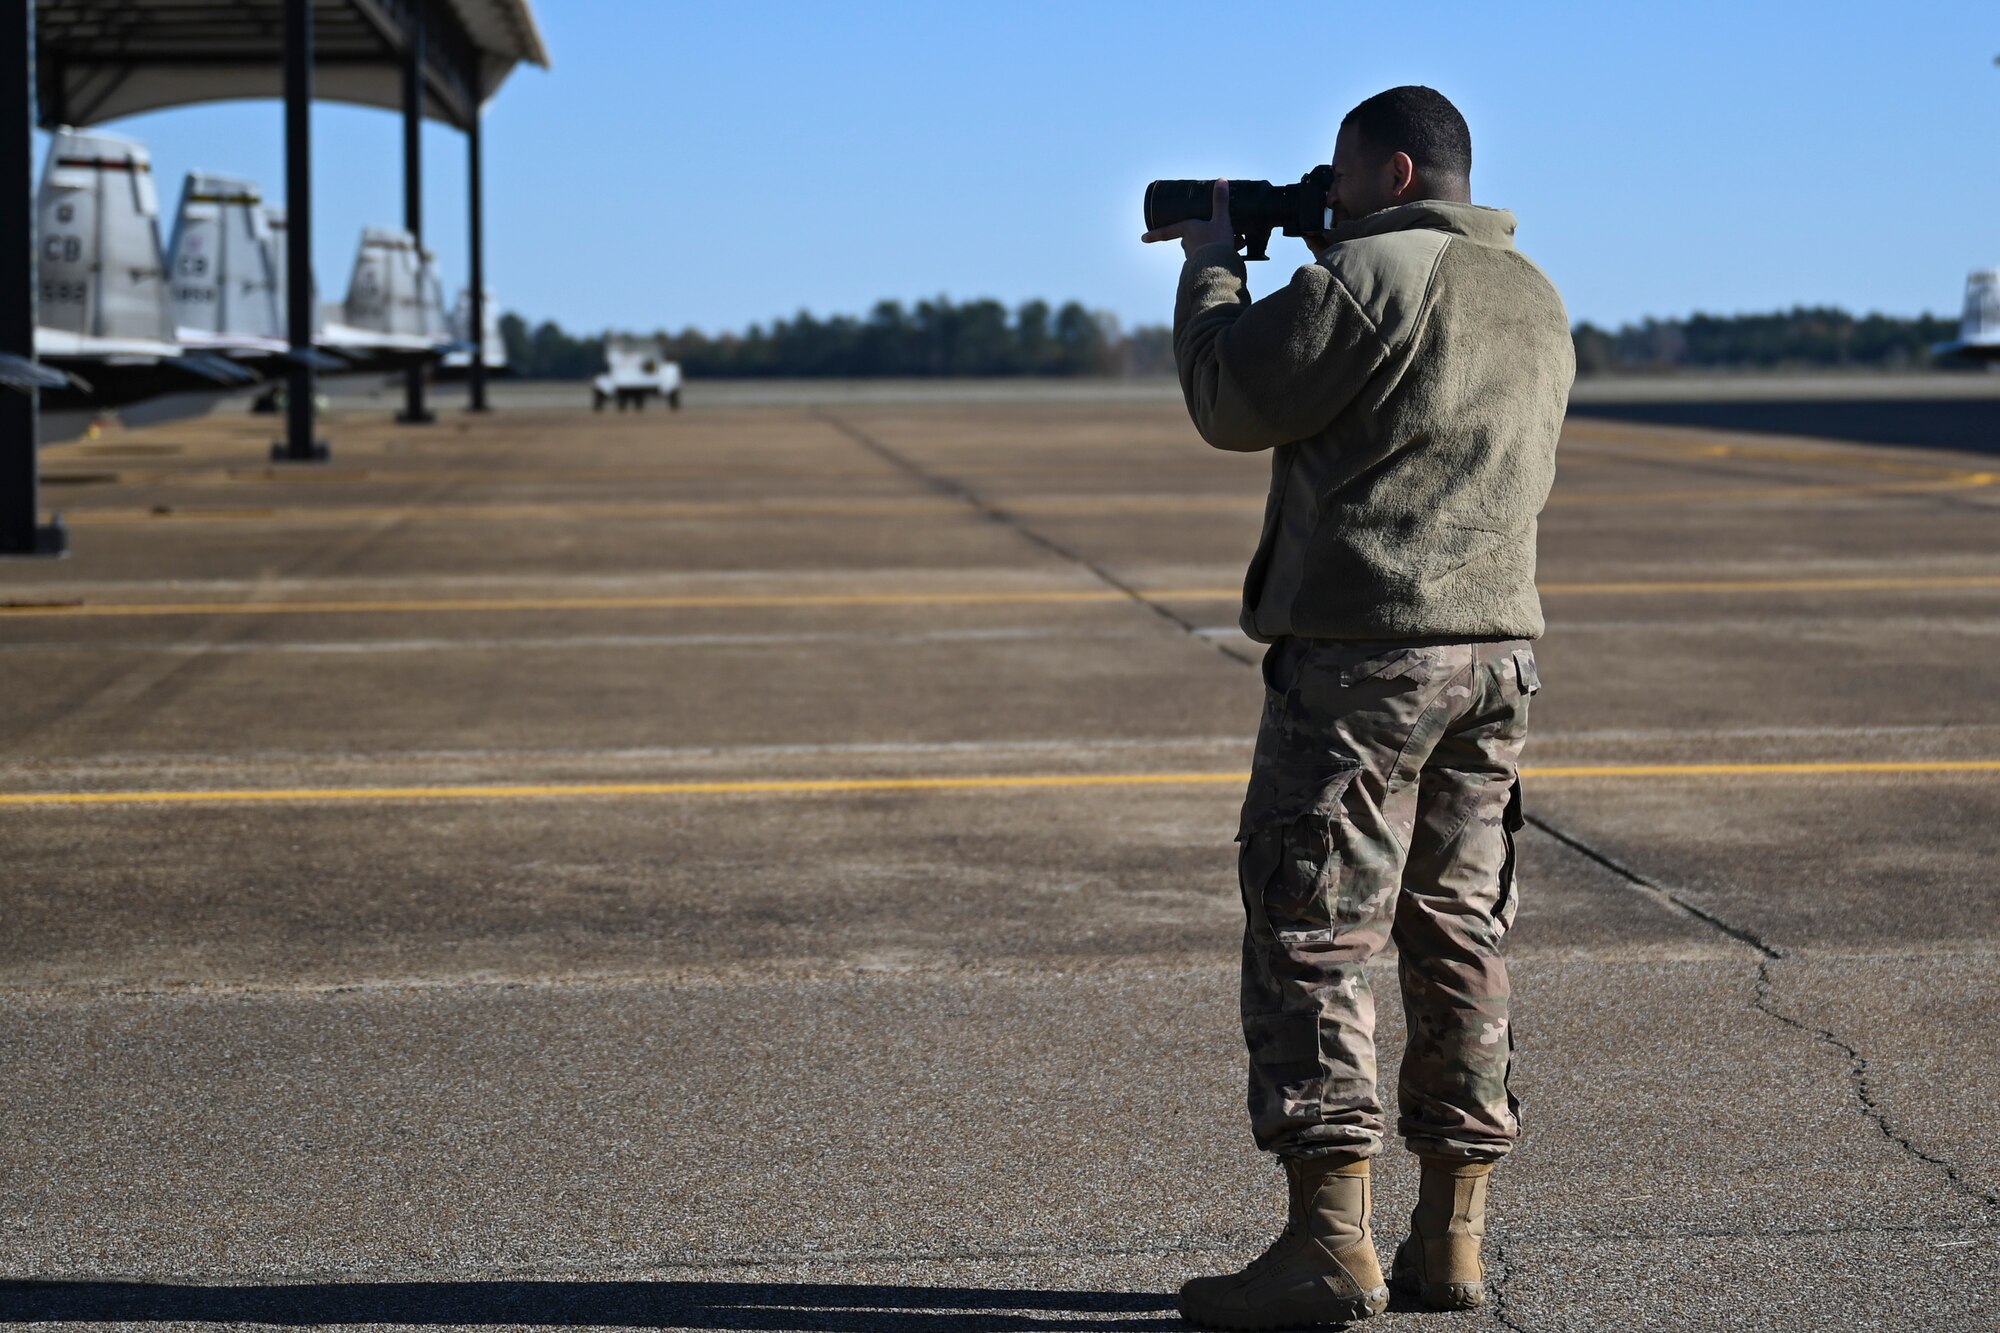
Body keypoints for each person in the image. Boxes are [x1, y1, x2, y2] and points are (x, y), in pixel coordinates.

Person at [1141, 86, 1572, 1328]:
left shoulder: (1368, 278)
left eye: (1334, 180)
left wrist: (1216, 268)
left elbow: (1231, 401)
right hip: (1496, 658)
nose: (1323, 199)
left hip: (1364, 662)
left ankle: (1329, 1246)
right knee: (1457, 929)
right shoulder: (1533, 293)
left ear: (1389, 172)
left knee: (1314, 930)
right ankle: (1451, 1239)